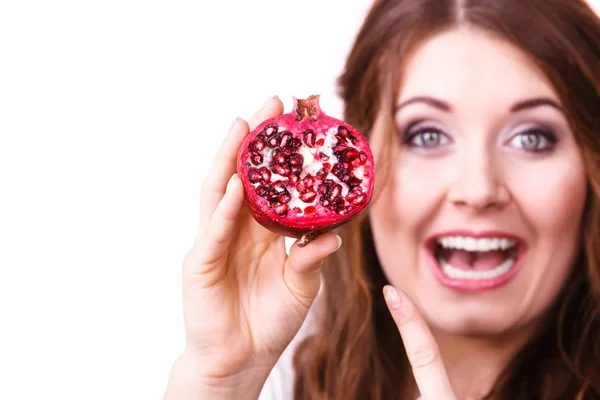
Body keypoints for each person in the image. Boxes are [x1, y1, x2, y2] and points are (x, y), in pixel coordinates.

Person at [164, 0, 600, 398]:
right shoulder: (277, 377)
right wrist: (222, 378)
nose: (478, 189)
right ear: (359, 157)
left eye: (532, 138)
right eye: (427, 135)